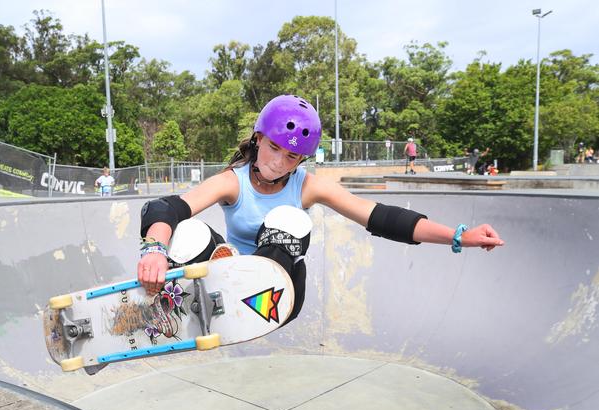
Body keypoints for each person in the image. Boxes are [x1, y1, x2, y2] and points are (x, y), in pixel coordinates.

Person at [138, 94, 504, 325]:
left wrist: (459, 237)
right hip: (232, 274)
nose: (280, 163)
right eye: (274, 149)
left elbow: (379, 216)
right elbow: (167, 207)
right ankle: (171, 305)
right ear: (258, 139)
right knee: (185, 231)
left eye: (292, 156)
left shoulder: (308, 186)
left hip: (279, 295)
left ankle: (239, 297)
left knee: (289, 220)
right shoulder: (232, 181)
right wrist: (154, 250)